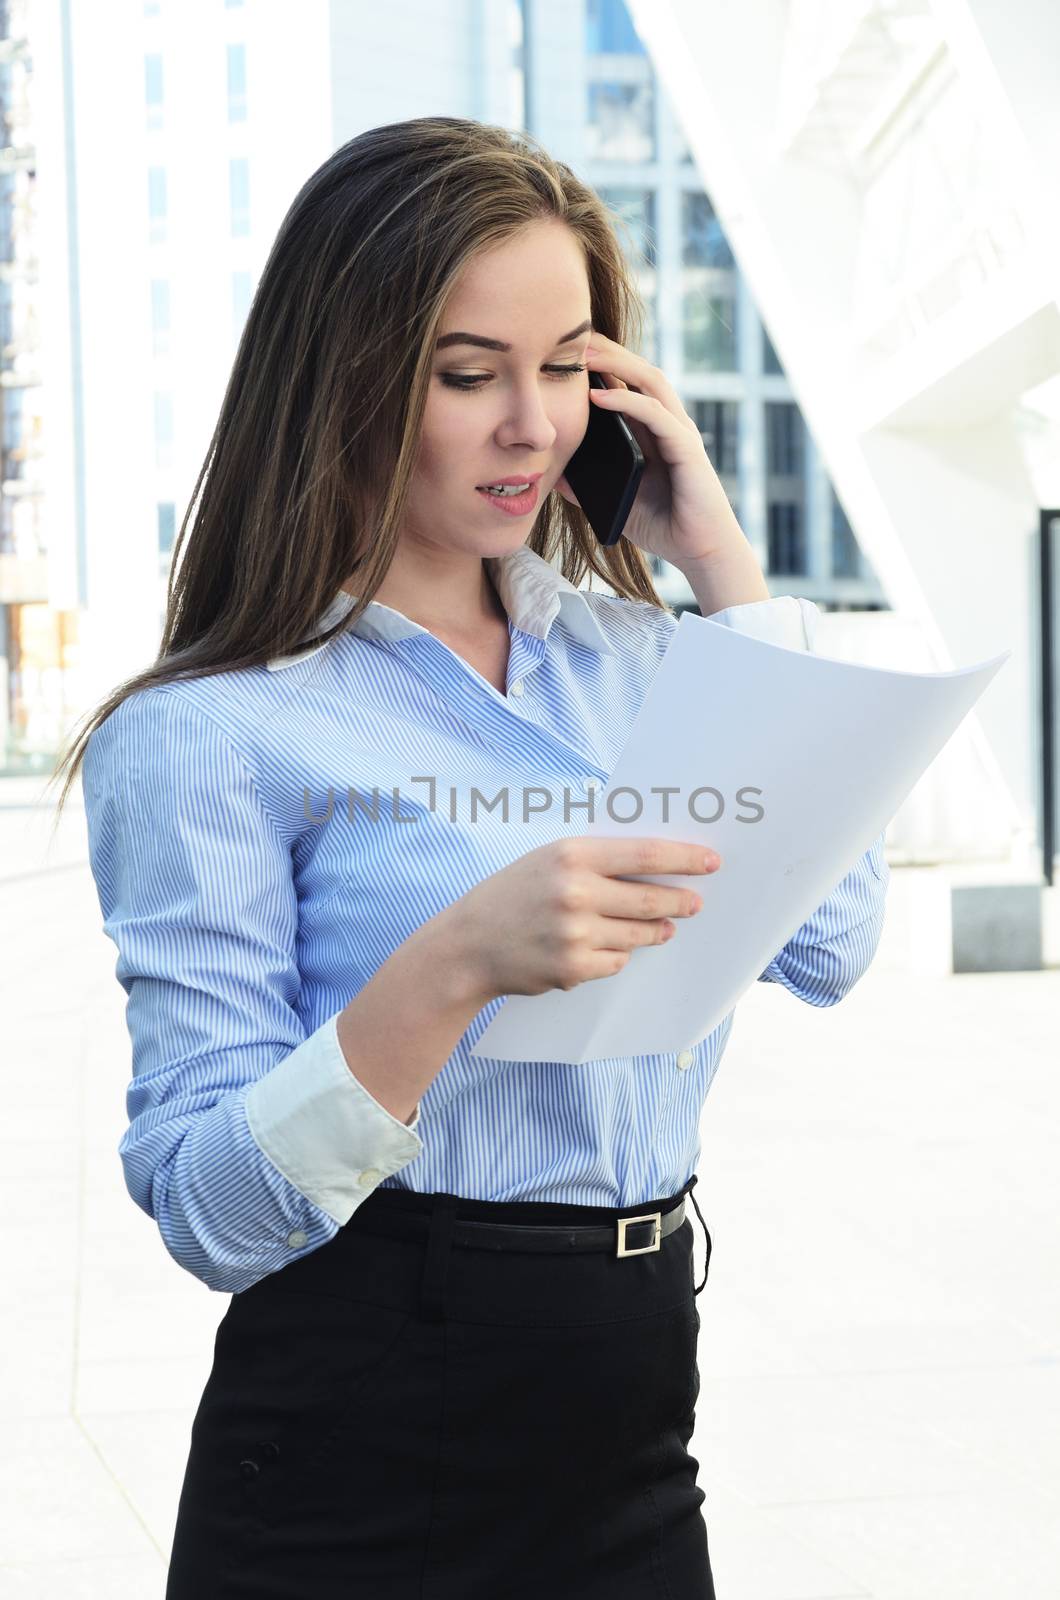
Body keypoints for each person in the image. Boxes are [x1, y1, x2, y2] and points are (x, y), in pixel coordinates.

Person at [51, 116, 889, 1599]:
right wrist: (450, 967)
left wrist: (728, 578)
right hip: (359, 1429)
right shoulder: (216, 733)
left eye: (569, 367)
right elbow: (205, 1209)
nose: (534, 424)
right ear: (350, 378)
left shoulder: (640, 664)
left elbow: (831, 943)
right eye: (468, 374)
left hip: (633, 1408)